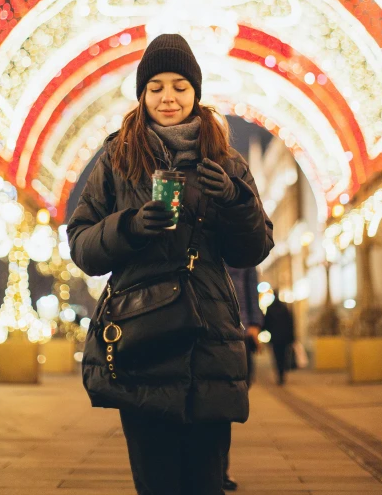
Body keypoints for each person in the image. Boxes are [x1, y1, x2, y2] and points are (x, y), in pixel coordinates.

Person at [68, 34, 274, 495]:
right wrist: (130, 227)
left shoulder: (227, 161)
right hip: (143, 337)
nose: (168, 97)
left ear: (196, 93)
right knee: (156, 481)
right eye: (156, 86)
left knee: (205, 482)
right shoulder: (117, 159)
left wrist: (236, 201)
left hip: (211, 340)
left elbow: (252, 250)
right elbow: (82, 244)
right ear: (141, 94)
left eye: (180, 86)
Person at [222, 266, 264, 491]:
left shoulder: (235, 235)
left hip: (238, 329)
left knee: (226, 399)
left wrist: (254, 325)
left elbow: (251, 284)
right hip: (198, 325)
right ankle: (216, 470)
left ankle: (219, 469)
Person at [263, 291, 295, 385]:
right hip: (285, 338)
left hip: (275, 338)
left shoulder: (270, 308)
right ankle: (282, 374)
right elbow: (290, 323)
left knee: (276, 357)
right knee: (284, 356)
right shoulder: (284, 308)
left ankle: (279, 375)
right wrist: (292, 337)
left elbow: (266, 323)